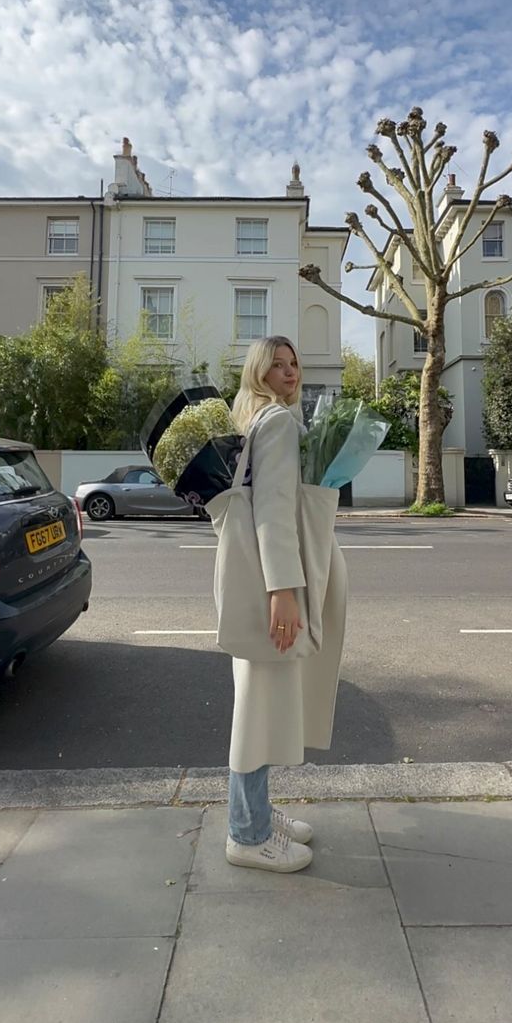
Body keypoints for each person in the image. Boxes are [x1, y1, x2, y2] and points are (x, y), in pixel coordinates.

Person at [225, 336, 347, 872]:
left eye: (294, 361)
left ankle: (257, 814)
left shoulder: (265, 420)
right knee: (258, 710)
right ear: (259, 373)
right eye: (276, 364)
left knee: (264, 705)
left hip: (268, 582)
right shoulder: (275, 422)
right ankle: (246, 836)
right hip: (274, 589)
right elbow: (273, 511)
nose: (289, 371)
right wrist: (284, 592)